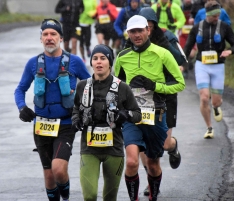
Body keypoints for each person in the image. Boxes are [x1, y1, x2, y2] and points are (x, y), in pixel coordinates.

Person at [14, 19, 91, 201]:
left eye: (53, 34)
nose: (49, 38)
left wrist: (83, 108)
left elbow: (91, 85)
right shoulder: (33, 63)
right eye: (45, 34)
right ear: (40, 38)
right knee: (49, 176)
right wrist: (22, 107)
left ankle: (65, 192)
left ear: (61, 38)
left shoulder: (74, 62)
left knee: (58, 170)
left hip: (66, 124)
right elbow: (20, 89)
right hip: (41, 125)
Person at [115, 15, 185, 201]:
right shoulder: (122, 57)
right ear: (128, 34)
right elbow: (115, 86)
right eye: (133, 31)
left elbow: (179, 84)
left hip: (156, 115)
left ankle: (153, 197)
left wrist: (154, 86)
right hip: (132, 117)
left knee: (153, 165)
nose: (137, 35)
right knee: (131, 162)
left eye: (140, 30)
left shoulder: (162, 54)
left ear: (148, 30)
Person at [71, 44, 142, 201]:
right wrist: (76, 120)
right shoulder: (82, 86)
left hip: (114, 148)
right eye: (95, 58)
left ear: (110, 62)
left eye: (103, 58)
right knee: (89, 196)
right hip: (89, 148)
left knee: (110, 197)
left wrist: (125, 115)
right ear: (91, 62)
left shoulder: (123, 88)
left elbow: (138, 115)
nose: (99, 62)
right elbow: (76, 109)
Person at [136, 6, 186, 196]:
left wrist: (166, 46)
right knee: (141, 143)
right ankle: (151, 178)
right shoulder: (132, 40)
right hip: (142, 98)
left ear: (154, 26)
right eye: (142, 27)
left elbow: (182, 61)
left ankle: (173, 148)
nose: (144, 31)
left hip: (166, 97)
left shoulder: (167, 37)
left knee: (164, 144)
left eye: (149, 27)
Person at [183, 1, 234, 139]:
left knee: (216, 101)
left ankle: (215, 107)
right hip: (201, 65)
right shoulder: (197, 27)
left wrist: (229, 51)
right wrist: (182, 64)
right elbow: (188, 47)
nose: (217, 18)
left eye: (219, 15)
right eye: (215, 16)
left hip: (218, 66)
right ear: (208, 15)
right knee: (203, 97)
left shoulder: (224, 27)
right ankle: (209, 127)